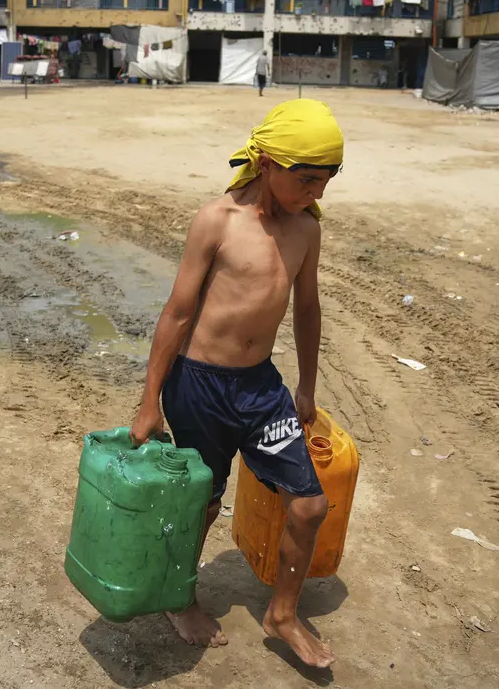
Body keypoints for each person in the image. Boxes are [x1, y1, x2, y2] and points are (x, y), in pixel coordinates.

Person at [129, 99, 342, 669]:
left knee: (309, 505)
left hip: (260, 388)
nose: (317, 192)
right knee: (203, 498)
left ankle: (282, 614)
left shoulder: (305, 231)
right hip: (197, 385)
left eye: (328, 179)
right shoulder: (216, 222)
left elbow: (307, 309)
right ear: (268, 162)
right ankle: (180, 598)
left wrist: (306, 387)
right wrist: (149, 402)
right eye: (308, 178)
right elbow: (175, 314)